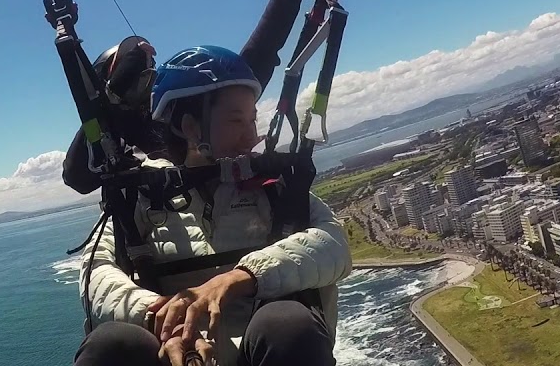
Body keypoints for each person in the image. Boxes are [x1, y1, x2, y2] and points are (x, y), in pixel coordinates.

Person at [73, 46, 353, 366]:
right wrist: (163, 320)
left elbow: (334, 244)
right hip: (173, 352)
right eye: (237, 121)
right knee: (110, 345)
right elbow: (96, 273)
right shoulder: (141, 197)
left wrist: (240, 277)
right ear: (190, 127)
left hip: (259, 351)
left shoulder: (273, 190)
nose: (252, 135)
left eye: (253, 120)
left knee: (286, 324)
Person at [61, 0, 336, 194]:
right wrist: (108, 102)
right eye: (137, 84)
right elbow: (78, 177)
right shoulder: (147, 163)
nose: (251, 138)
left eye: (150, 78)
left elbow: (262, 50)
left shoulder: (197, 113)